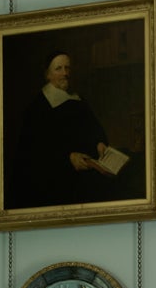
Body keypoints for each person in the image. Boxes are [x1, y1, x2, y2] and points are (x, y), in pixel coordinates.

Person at [8, 51, 136, 210]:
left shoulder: (77, 98)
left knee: (130, 167)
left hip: (90, 164)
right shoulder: (37, 107)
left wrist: (99, 143)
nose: (65, 73)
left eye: (67, 68)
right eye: (58, 69)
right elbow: (35, 151)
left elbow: (93, 127)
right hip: (58, 176)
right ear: (47, 75)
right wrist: (68, 158)